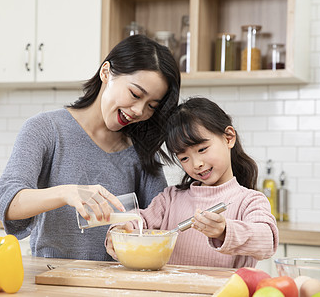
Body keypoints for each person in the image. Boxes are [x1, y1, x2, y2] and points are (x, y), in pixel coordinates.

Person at [0, 35, 181, 260]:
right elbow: (9, 203)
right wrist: (67, 192)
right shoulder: (46, 128)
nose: (139, 111)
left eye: (151, 105)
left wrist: (130, 231)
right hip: (53, 279)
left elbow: (160, 220)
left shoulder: (140, 151)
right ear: (106, 72)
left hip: (116, 282)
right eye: (135, 94)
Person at [106, 97, 278, 268]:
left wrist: (224, 231)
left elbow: (267, 240)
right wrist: (121, 229)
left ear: (228, 138)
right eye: (184, 158)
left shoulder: (249, 201)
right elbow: (140, 220)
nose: (196, 164)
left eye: (202, 149)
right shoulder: (170, 199)